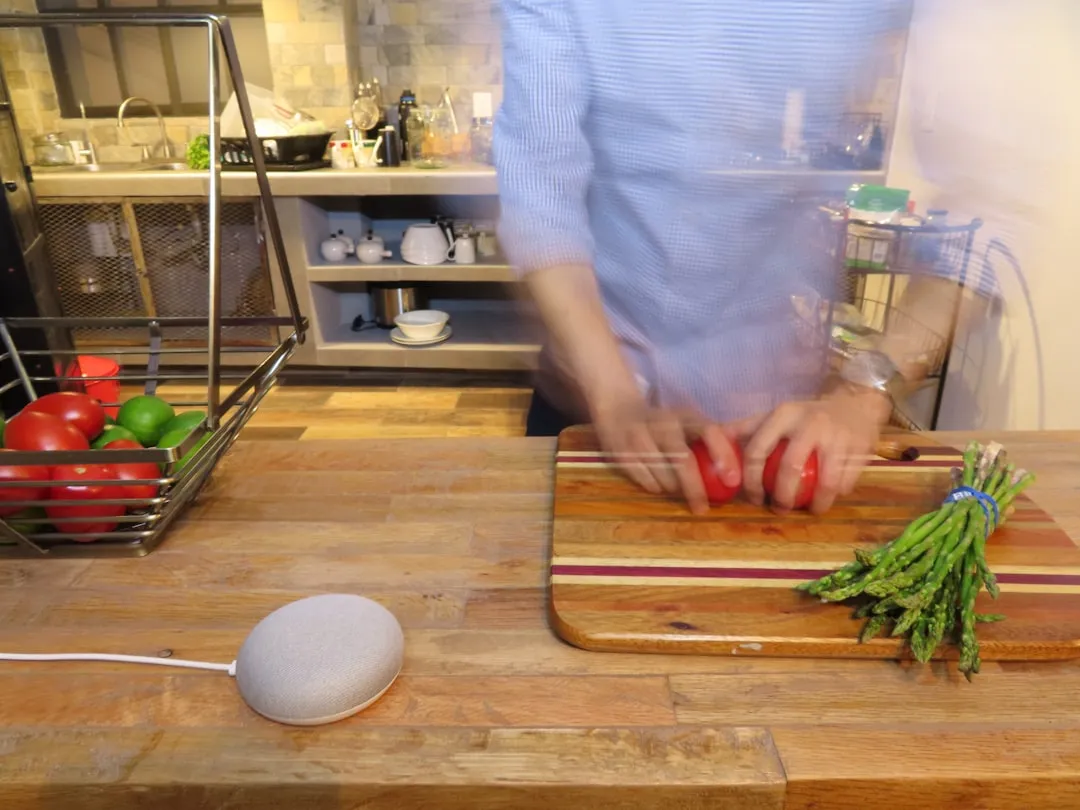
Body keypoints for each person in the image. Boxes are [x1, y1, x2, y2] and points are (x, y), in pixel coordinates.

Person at [495, 0, 926, 516]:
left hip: (784, 426)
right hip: (601, 404)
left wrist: (865, 392)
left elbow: (996, 196)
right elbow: (540, 197)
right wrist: (614, 395)